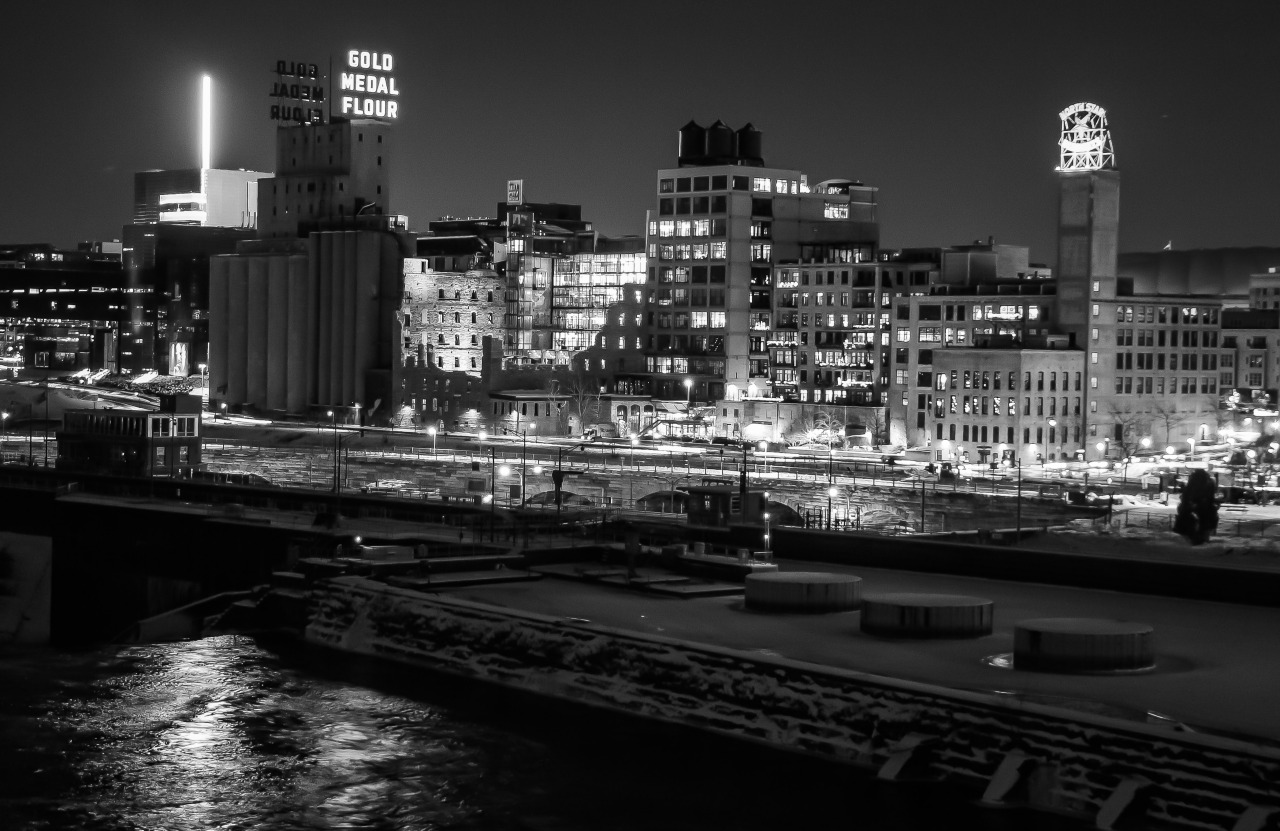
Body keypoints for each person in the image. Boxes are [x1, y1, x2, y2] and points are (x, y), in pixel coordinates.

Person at [1173, 468, 1219, 545]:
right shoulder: (1209, 483)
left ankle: (1194, 540)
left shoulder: (1194, 484)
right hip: (1203, 510)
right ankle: (1200, 540)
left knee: (1198, 524)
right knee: (1203, 524)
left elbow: (1187, 496)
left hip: (1195, 510)